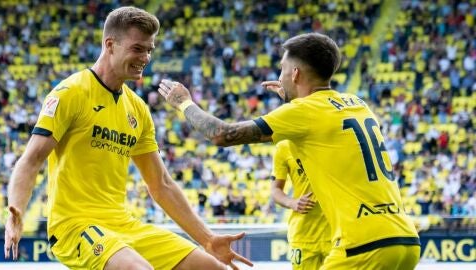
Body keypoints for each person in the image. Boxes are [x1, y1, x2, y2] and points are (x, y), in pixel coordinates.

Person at [4, 6, 252, 270]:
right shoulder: (70, 93)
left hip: (122, 226)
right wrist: (16, 210)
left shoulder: (138, 109)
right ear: (110, 45)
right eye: (137, 48)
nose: (145, 57)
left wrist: (208, 239)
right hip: (74, 225)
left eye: (149, 50)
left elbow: (162, 185)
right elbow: (31, 160)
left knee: (210, 267)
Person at [158, 32, 421, 269]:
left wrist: (184, 104)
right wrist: (293, 97)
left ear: (295, 74)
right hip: (405, 240)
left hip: (363, 245)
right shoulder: (356, 102)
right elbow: (319, 125)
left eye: (283, 69)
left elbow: (222, 134)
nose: (280, 75)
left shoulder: (303, 112)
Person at [270, 140, 331, 269]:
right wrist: (292, 202)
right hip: (303, 235)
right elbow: (275, 190)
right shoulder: (283, 147)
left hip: (336, 233)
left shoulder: (331, 139)